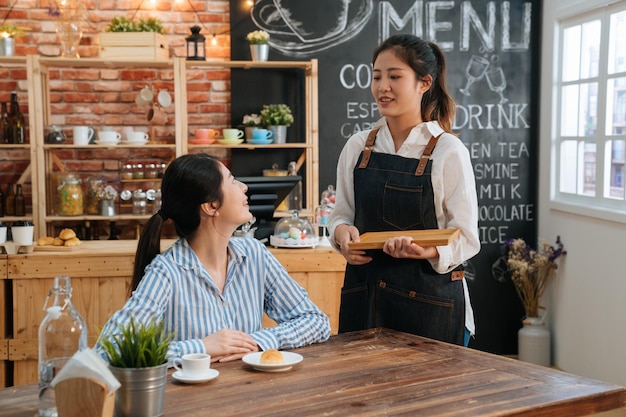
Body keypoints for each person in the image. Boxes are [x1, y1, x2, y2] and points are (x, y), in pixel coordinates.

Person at [97, 153, 330, 363]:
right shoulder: (167, 271)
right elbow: (108, 350)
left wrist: (259, 341)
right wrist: (201, 347)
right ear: (211, 206)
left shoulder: (255, 255)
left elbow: (316, 321)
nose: (244, 187)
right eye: (232, 180)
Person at [328, 34, 480, 346]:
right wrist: (343, 237)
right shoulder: (358, 145)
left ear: (424, 83)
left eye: (395, 76)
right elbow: (341, 215)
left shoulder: (448, 150)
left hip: (430, 305)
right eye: (377, 76)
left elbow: (465, 237)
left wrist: (427, 251)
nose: (382, 87)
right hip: (367, 301)